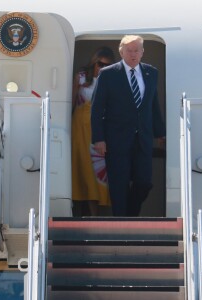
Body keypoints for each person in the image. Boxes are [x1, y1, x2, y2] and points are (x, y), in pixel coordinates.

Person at [91, 35, 166, 217]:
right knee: (119, 185)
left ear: (142, 52)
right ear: (121, 52)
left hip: (143, 139)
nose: (133, 54)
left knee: (143, 183)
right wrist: (99, 139)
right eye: (129, 51)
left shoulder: (151, 73)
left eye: (136, 50)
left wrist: (160, 133)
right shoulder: (108, 74)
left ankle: (130, 216)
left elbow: (152, 105)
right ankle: (120, 225)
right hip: (116, 139)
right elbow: (96, 108)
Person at [72, 46, 115, 217]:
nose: (102, 67)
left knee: (95, 171)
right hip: (79, 129)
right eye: (100, 64)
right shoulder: (81, 78)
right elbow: (72, 100)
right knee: (79, 168)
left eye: (107, 65)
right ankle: (78, 212)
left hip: (98, 130)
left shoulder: (111, 80)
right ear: (94, 62)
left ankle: (94, 215)